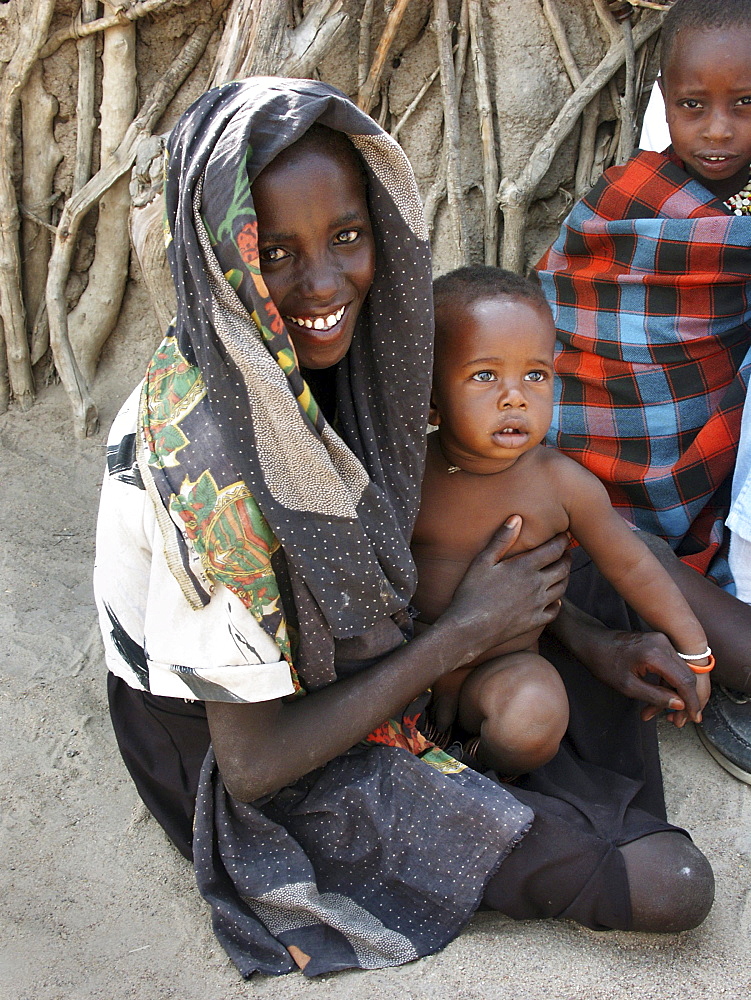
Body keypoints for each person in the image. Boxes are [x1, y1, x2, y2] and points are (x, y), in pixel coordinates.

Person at [94, 78, 713, 980]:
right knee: (668, 883)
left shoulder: (340, 352)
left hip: (396, 634)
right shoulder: (206, 459)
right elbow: (255, 765)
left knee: (600, 547)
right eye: (274, 252)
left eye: (347, 237)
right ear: (220, 253)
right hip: (249, 729)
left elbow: (453, 547)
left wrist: (584, 641)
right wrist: (465, 633)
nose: (321, 283)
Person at [536, 0, 751, 781]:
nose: (718, 131)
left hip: (702, 473)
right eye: (693, 107)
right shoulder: (633, 195)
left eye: (744, 105)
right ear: (663, 99)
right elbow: (574, 317)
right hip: (583, 477)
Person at [411, 266, 712, 776]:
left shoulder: (561, 484)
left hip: (500, 668)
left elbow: (633, 567)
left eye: (536, 374)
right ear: (434, 399)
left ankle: (476, 768)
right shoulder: (410, 473)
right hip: (408, 662)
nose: (515, 396)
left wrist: (695, 653)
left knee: (534, 715)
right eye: (485, 375)